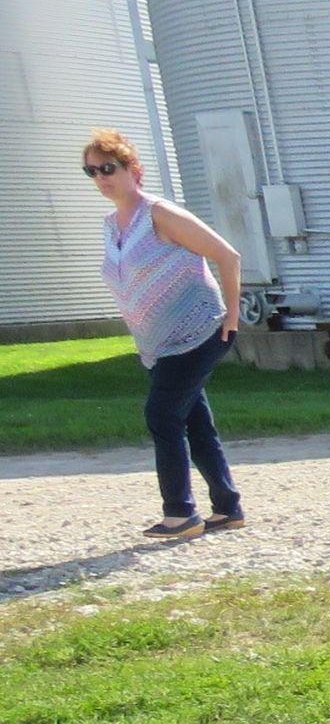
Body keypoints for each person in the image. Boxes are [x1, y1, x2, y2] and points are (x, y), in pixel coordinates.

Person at [86, 126, 247, 538]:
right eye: (92, 172)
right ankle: (227, 507)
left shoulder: (159, 213)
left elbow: (227, 256)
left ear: (132, 169)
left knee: (161, 415)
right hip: (159, 344)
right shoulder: (111, 225)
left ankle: (180, 514)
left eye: (109, 168)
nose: (102, 178)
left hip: (200, 331)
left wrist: (231, 315)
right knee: (195, 422)